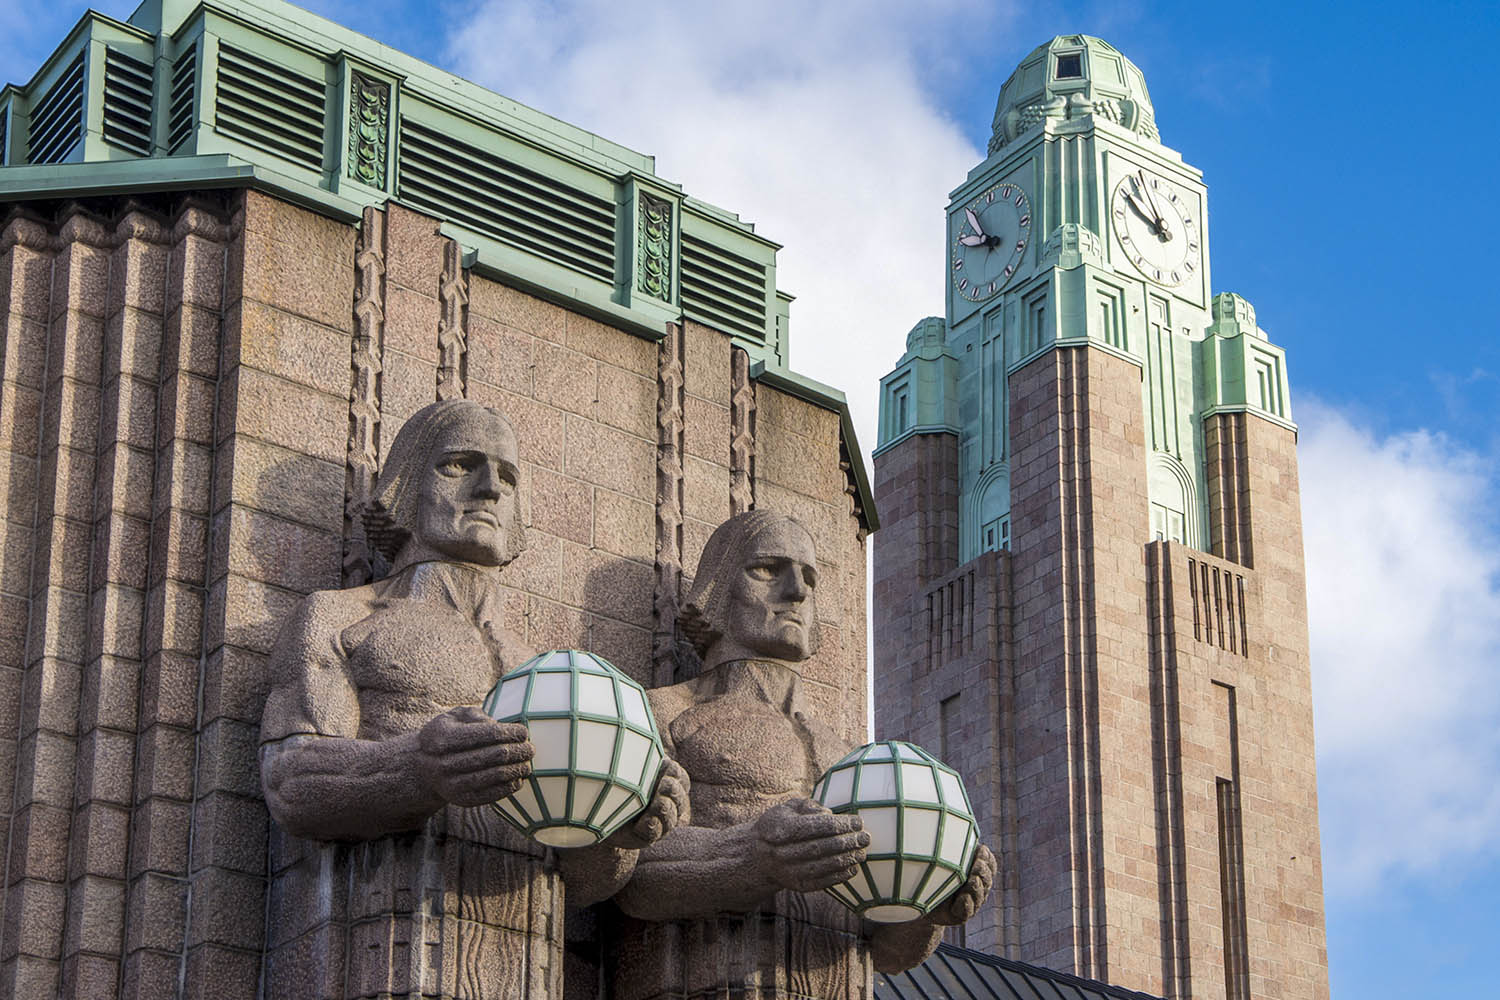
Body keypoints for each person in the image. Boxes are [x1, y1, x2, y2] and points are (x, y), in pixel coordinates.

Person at [259, 399, 685, 999]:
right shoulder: (340, 616)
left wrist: (623, 826)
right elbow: (291, 778)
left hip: (528, 968)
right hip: (376, 952)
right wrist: (415, 767)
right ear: (405, 488)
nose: (489, 488)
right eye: (460, 466)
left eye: (508, 477)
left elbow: (579, 875)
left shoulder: (549, 677)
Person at [606, 509, 995, 994]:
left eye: (809, 577)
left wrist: (930, 900)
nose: (797, 591)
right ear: (716, 587)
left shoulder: (852, 760)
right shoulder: (661, 713)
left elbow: (887, 953)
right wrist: (753, 856)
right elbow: (624, 868)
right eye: (768, 569)